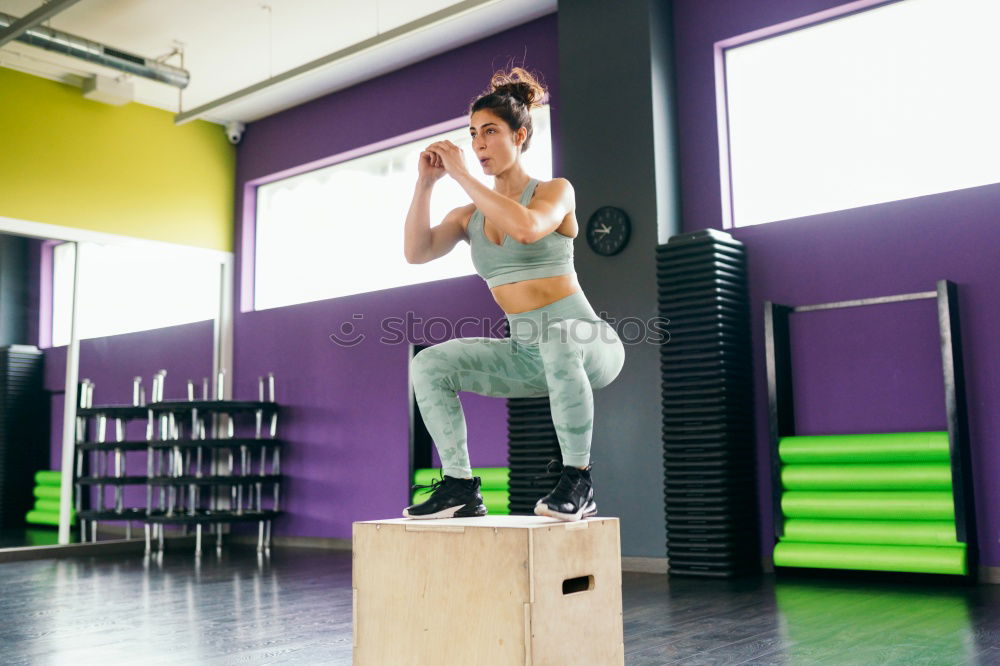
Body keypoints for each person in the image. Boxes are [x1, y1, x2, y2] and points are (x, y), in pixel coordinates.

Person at [401, 66, 625, 522]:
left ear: (520, 135)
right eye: (472, 134)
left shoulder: (555, 191)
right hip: (527, 354)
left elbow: (526, 229)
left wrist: (463, 174)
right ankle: (461, 486)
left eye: (490, 132)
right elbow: (416, 252)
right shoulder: (469, 216)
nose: (478, 143)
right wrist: (426, 184)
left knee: (559, 338)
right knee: (429, 364)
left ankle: (578, 480)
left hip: (589, 342)